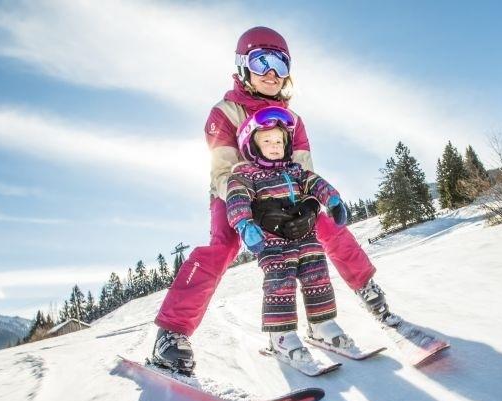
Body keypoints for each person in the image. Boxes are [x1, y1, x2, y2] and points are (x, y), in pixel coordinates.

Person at [152, 26, 395, 375]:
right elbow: (222, 171)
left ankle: (365, 289)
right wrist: (253, 209)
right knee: (223, 246)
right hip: (235, 193)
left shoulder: (293, 121)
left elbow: (304, 169)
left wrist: (308, 205)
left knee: (325, 226)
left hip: (286, 190)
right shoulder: (225, 112)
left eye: (280, 65)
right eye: (261, 62)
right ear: (243, 66)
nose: (271, 73)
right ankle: (170, 334)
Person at [226, 106, 353, 365]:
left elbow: (316, 183)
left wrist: (333, 200)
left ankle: (322, 324)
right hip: (271, 240)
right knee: (280, 280)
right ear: (251, 145)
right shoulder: (245, 175)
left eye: (279, 141)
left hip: (305, 235)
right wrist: (244, 224)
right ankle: (281, 335)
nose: (275, 146)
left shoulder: (295, 170)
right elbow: (236, 197)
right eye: (267, 141)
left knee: (317, 274)